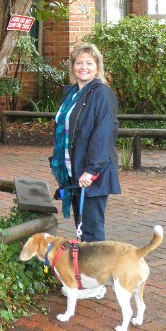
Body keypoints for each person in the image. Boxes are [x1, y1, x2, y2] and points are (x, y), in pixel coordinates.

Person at [49, 42, 120, 242]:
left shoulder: (101, 93)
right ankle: (87, 263)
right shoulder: (72, 94)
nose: (83, 67)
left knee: (92, 233)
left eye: (89, 63)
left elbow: (103, 134)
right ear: (73, 66)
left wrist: (91, 170)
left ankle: (98, 264)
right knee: (82, 228)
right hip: (73, 170)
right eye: (79, 62)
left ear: (98, 67)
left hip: (91, 173)